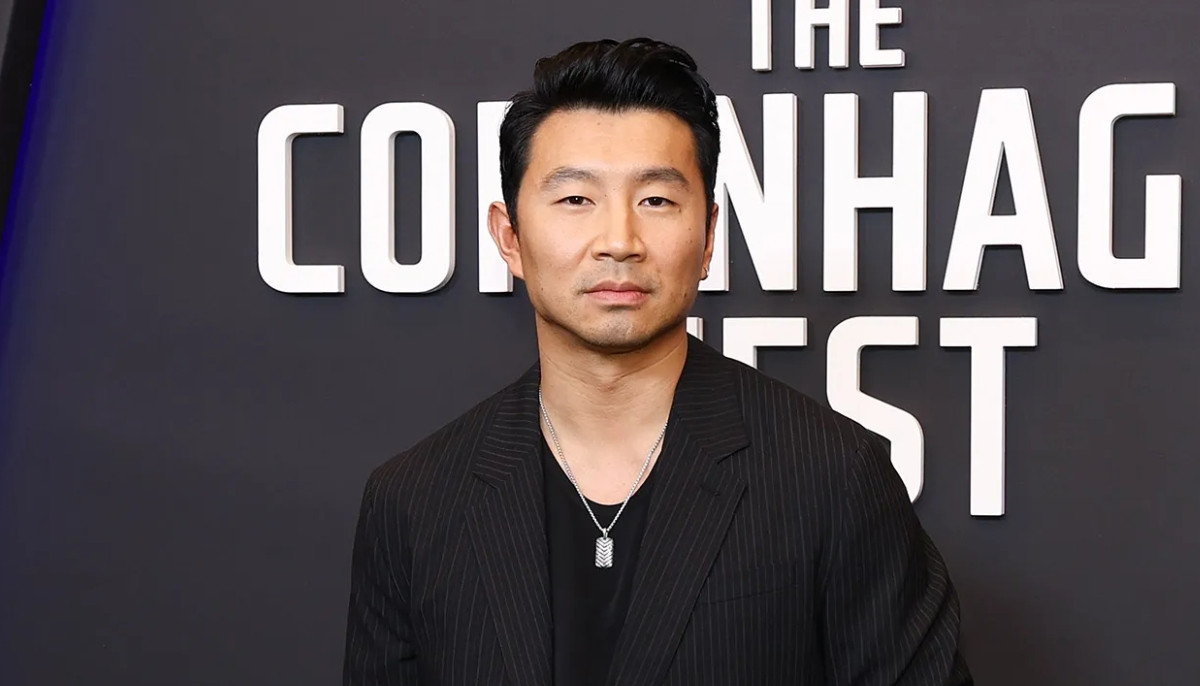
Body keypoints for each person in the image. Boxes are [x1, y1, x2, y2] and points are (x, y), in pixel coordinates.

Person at [343, 37, 973, 686]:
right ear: (510, 237)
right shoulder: (413, 503)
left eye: (656, 201)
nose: (619, 241)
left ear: (708, 237)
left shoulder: (834, 478)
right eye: (576, 199)